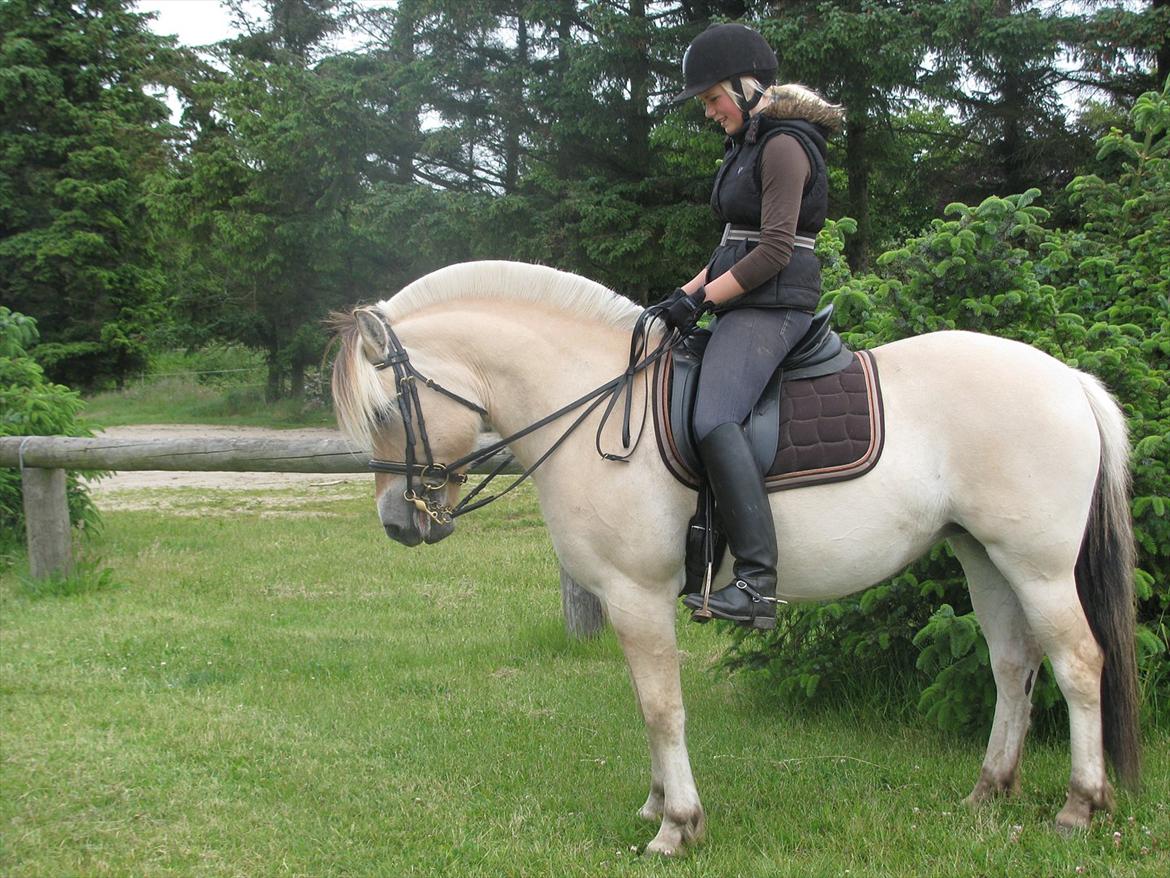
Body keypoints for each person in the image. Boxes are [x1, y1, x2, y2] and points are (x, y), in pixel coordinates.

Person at [657, 23, 844, 629]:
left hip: (774, 305)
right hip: (743, 299)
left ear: (745, 86)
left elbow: (773, 252)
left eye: (712, 98)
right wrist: (679, 299)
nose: (709, 111)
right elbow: (729, 246)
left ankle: (757, 581)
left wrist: (705, 300)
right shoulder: (747, 144)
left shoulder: (785, 145)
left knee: (715, 416)